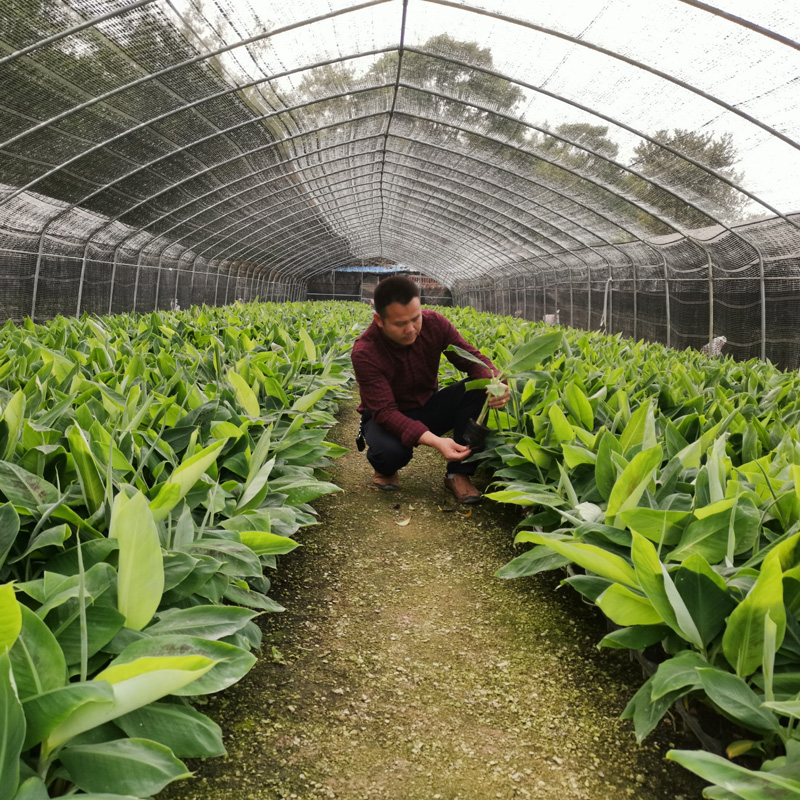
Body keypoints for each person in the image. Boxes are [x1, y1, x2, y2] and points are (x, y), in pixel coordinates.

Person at [351, 275, 510, 504]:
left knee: (477, 388)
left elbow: (472, 360)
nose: (410, 329)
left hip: (428, 406)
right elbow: (385, 412)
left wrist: (497, 385)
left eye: (415, 319)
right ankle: (385, 469)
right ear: (379, 320)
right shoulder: (366, 351)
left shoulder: (434, 323)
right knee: (389, 454)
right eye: (399, 324)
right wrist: (436, 441)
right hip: (386, 417)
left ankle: (459, 472)